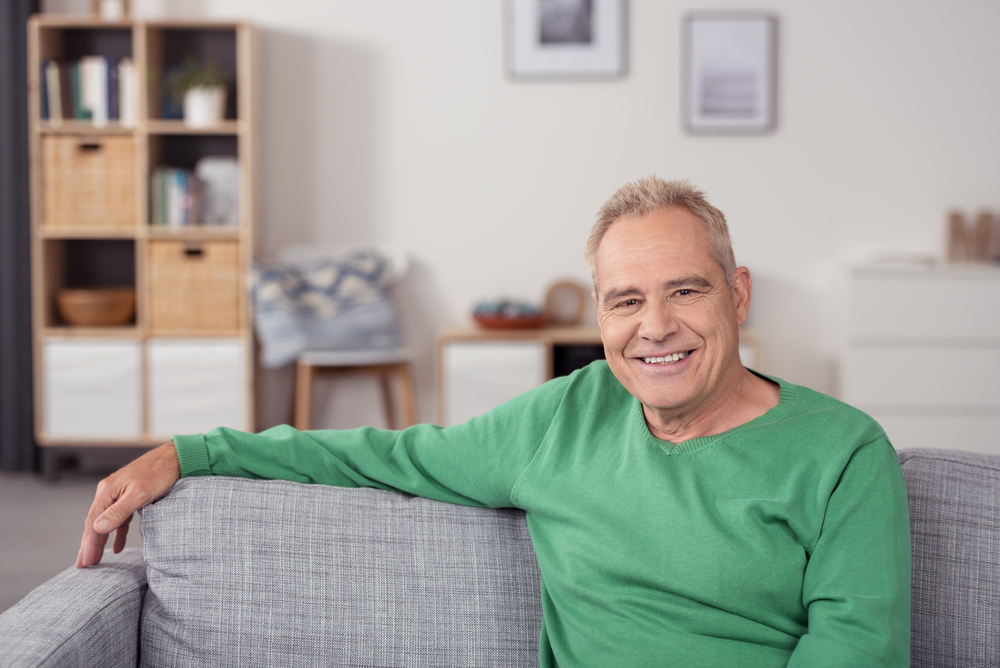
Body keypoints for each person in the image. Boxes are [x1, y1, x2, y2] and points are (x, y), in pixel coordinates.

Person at [77, 177, 911, 667]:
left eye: (685, 290)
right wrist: (191, 450)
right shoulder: (564, 418)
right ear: (601, 317)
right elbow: (384, 455)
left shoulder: (843, 453)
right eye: (626, 300)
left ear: (738, 294)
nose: (654, 326)